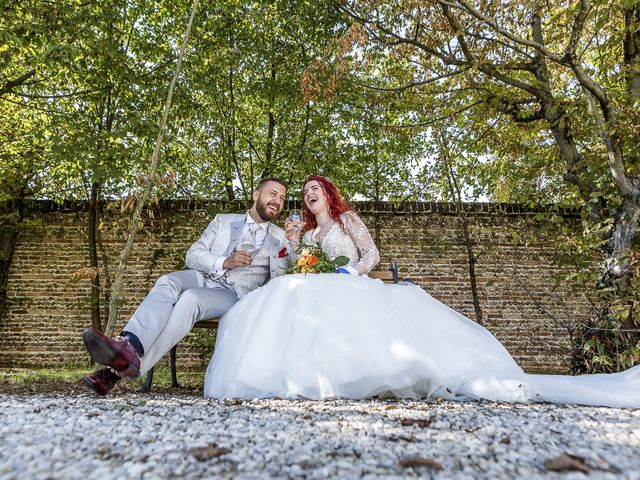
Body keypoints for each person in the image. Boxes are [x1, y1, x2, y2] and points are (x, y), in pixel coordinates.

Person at [203, 176, 640, 408]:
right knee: (290, 298)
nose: (308, 195)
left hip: (350, 284)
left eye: (314, 190)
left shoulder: (347, 220)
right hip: (318, 288)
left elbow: (371, 255)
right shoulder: (307, 231)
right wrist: (297, 243)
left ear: (329, 195)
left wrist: (352, 273)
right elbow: (298, 261)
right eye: (304, 193)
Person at [82, 177, 291, 395]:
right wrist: (224, 261)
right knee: (167, 281)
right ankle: (129, 343)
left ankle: (114, 373)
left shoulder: (281, 237)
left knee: (191, 299)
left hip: (234, 293)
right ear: (256, 195)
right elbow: (193, 255)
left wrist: (292, 243)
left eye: (282, 197)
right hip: (204, 276)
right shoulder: (222, 221)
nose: (278, 200)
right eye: (273, 194)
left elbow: (284, 275)